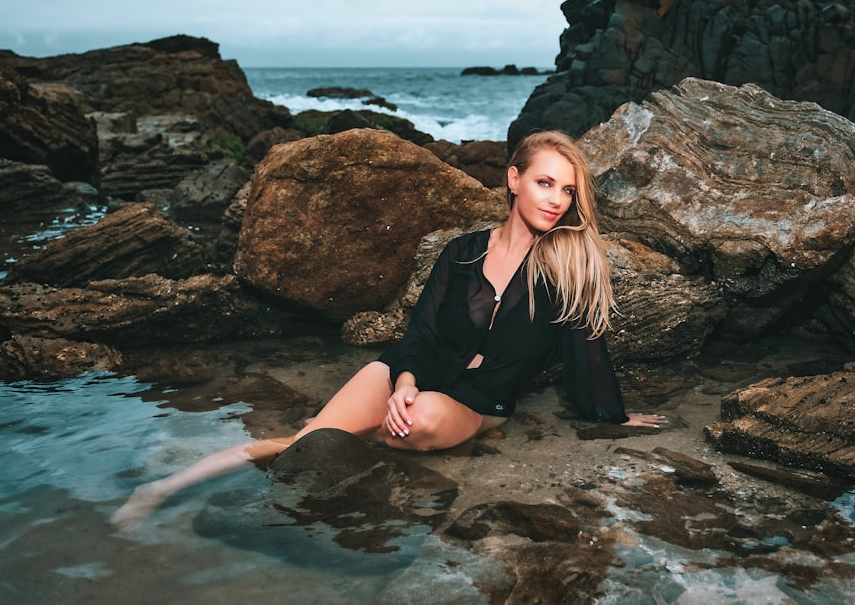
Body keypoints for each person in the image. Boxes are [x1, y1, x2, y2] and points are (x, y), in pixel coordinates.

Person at [111, 130, 666, 531]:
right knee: (301, 447)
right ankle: (159, 489)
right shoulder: (462, 253)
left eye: (567, 190)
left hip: (478, 399)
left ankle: (361, 431)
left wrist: (612, 415)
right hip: (412, 374)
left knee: (407, 421)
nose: (555, 200)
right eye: (545, 182)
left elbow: (585, 344)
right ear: (513, 179)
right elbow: (419, 335)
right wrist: (401, 382)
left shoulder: (568, 262)